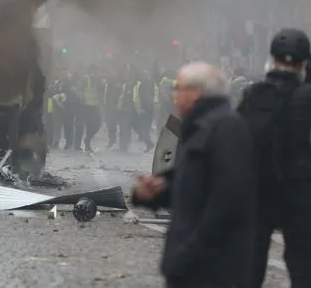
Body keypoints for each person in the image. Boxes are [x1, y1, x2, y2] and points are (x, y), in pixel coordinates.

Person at [132, 61, 255, 288]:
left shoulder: (227, 129)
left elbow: (227, 201)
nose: (174, 95)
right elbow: (191, 187)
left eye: (179, 88)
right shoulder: (198, 128)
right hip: (192, 264)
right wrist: (153, 192)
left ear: (196, 92)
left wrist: (191, 250)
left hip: (213, 268)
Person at [239, 28, 311, 287]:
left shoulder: (253, 94)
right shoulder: (307, 96)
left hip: (259, 191)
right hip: (301, 194)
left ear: (272, 57)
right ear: (305, 62)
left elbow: (239, 142)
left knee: (250, 264)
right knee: (303, 266)